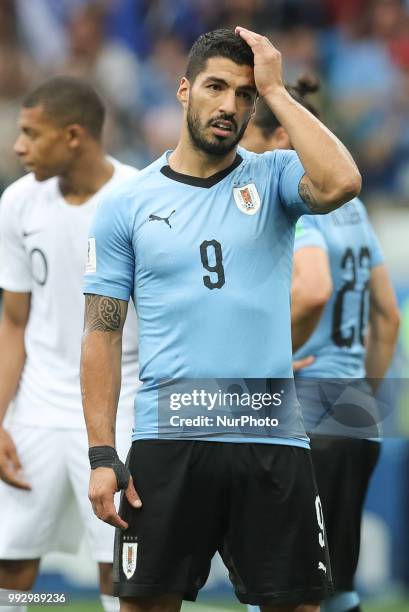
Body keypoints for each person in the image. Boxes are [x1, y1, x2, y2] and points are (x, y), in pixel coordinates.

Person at [81, 28, 362, 612]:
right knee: (142, 606)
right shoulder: (125, 205)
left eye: (244, 95)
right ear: (184, 90)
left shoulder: (274, 177)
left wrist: (277, 90)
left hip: (271, 440)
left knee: (297, 606)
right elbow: (101, 332)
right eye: (216, 87)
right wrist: (103, 454)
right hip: (167, 442)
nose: (230, 106)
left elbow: (343, 182)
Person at [241, 77, 400, 612]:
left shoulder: (297, 206)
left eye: (252, 142)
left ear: (281, 139)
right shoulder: (354, 209)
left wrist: (270, 362)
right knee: (337, 587)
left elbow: (312, 291)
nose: (245, 156)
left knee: (282, 590)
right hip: (356, 415)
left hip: (306, 415)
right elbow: (389, 317)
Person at [0, 76, 139, 612]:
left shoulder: (136, 197)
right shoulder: (17, 202)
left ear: (74, 135)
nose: (18, 147)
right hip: (34, 406)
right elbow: (14, 322)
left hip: (117, 407)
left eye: (31, 134)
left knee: (120, 564)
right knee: (11, 561)